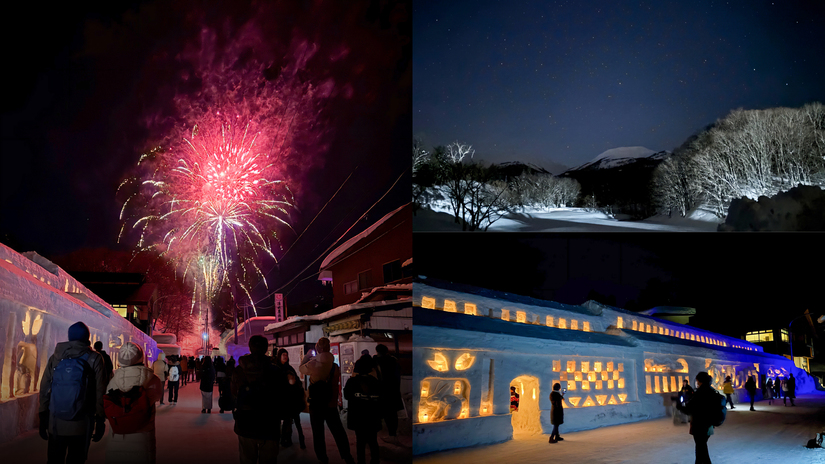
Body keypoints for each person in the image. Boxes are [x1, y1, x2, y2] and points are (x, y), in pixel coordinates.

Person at [38, 321, 107, 464]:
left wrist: (43, 415)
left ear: (69, 337)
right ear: (87, 338)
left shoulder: (56, 357)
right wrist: (100, 419)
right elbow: (100, 391)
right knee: (76, 459)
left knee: (54, 460)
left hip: (56, 422)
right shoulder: (94, 358)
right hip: (82, 421)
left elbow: (45, 386)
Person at [104, 342, 163, 464]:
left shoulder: (113, 381)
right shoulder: (153, 379)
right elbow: (156, 396)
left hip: (117, 438)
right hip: (143, 438)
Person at [300, 337, 356, 464]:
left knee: (318, 433)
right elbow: (335, 386)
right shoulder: (334, 366)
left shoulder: (313, 364)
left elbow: (301, 368)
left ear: (317, 348)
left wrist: (307, 356)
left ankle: (322, 458)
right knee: (338, 432)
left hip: (315, 404)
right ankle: (347, 456)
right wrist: (333, 402)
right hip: (330, 403)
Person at [231, 335, 286, 464]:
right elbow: (283, 396)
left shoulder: (239, 371)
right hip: (270, 423)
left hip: (245, 422)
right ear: (266, 349)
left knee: (247, 458)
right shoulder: (275, 371)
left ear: (250, 348)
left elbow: (234, 394)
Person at [344, 356, 382, 464]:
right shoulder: (375, 382)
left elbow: (347, 395)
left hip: (358, 417)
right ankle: (375, 460)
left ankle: (361, 461)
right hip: (372, 416)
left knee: (360, 441)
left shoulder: (352, 382)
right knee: (373, 441)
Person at [676, 372, 718, 464]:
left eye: (697, 381)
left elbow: (689, 409)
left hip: (700, 425)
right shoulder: (711, 391)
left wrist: (679, 406)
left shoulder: (700, 393)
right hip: (709, 424)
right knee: (701, 448)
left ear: (699, 381)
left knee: (700, 449)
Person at [275, 349, 306, 449]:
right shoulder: (276, 368)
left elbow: (297, 381)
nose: (285, 356)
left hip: (291, 400)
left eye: (286, 355)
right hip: (279, 400)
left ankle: (288, 438)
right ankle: (280, 438)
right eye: (283, 355)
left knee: (290, 421)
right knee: (279, 421)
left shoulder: (289, 368)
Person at [373, 344, 402, 444]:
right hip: (394, 391)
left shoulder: (379, 361)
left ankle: (392, 435)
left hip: (384, 391)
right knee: (393, 414)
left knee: (387, 414)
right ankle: (393, 434)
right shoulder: (393, 360)